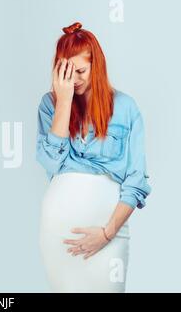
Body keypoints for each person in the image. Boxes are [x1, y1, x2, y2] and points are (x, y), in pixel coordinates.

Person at [36, 22, 152, 292]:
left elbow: (136, 181)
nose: (74, 79)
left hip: (106, 234)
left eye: (80, 71)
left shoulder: (125, 107)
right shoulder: (49, 105)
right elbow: (51, 164)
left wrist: (106, 233)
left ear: (96, 66)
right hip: (58, 240)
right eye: (66, 71)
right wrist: (63, 102)